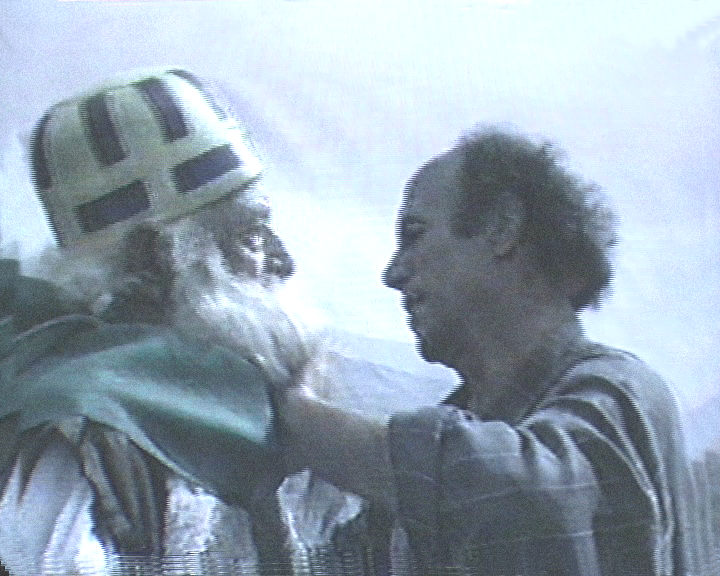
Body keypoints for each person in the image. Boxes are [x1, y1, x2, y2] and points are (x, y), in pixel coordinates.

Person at [278, 126, 693, 575]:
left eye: (414, 235)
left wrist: (297, 418)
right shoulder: (463, 433)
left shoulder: (623, 392)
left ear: (502, 228)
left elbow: (524, 499)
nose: (392, 274)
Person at [0, 67, 326, 575]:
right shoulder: (83, 427)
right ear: (156, 259)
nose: (284, 263)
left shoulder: (232, 397)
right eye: (252, 236)